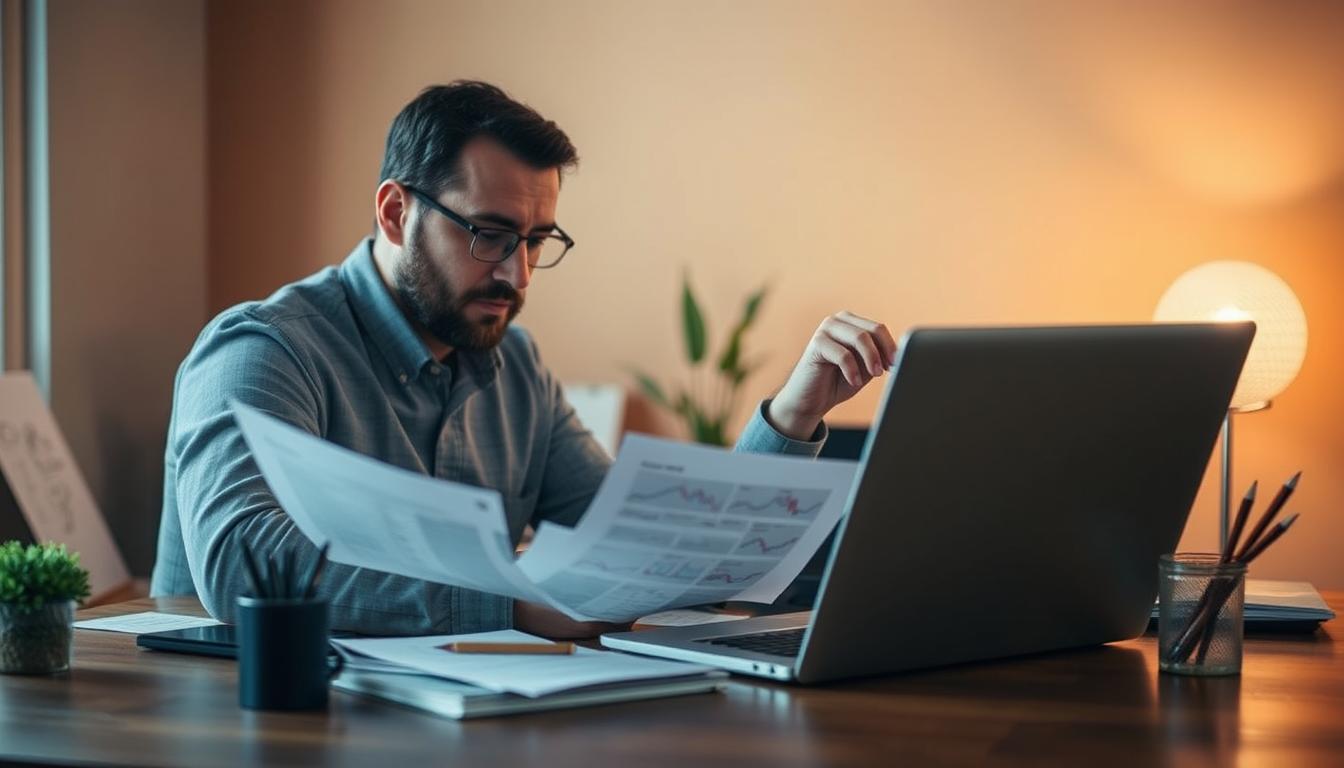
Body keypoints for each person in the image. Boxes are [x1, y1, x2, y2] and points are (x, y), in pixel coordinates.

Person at [150, 81, 896, 637]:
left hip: (436, 724)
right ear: (394, 212)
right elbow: (241, 561)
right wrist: (509, 607)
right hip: (238, 725)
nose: (518, 274)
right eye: (489, 234)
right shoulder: (263, 348)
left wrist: (792, 416)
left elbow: (647, 550)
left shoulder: (517, 368)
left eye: (537, 240)